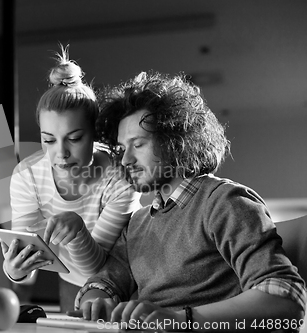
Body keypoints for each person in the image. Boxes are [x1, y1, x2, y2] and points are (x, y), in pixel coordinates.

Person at [75, 71, 306, 331]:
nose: (126, 160)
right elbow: (102, 284)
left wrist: (180, 320)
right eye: (121, 149)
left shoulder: (223, 202)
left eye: (137, 144)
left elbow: (287, 302)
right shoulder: (137, 223)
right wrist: (97, 301)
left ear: (175, 142)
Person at [0, 46, 140, 312]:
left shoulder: (121, 178)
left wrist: (77, 232)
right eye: (48, 140)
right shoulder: (27, 175)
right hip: (70, 284)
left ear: (95, 133)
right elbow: (29, 254)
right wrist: (14, 269)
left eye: (75, 139)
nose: (61, 153)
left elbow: (98, 269)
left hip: (127, 285)